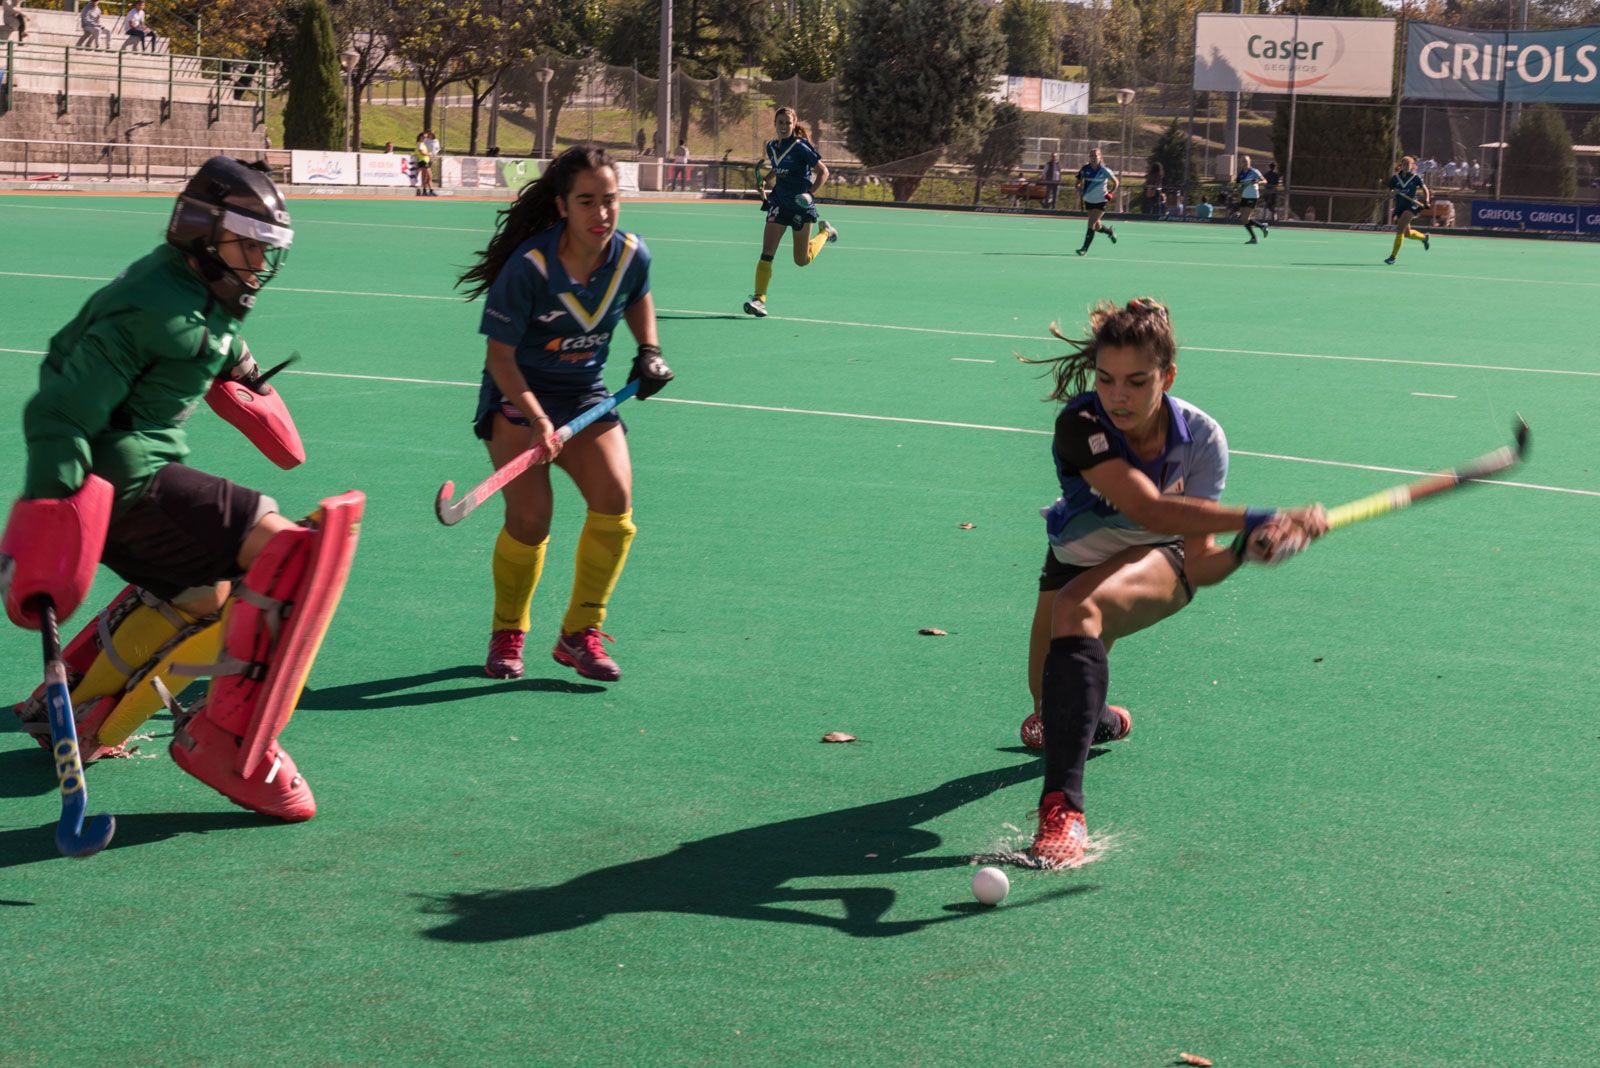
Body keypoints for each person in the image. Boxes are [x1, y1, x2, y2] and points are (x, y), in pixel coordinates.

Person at [1, 157, 365, 823]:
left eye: (265, 248)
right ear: (202, 233)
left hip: (125, 483)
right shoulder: (155, 306)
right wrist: (49, 509)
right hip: (126, 483)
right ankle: (228, 745)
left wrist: (246, 375)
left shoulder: (191, 291)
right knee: (292, 555)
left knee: (205, 595)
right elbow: (58, 409)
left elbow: (208, 344)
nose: (257, 262)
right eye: (246, 244)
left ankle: (80, 705)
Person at [1014, 298, 1328, 866]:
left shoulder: (1202, 439)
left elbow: (1195, 562)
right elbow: (1149, 506)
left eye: (1138, 381)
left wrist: (1241, 551)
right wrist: (1257, 518)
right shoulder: (1082, 423)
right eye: (1106, 379)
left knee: (1075, 610)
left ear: (1168, 376)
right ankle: (1102, 718)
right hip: (1075, 556)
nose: (1119, 395)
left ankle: (1063, 813)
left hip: (1156, 558)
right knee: (1046, 717)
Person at [455, 147, 675, 683]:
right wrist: (535, 419)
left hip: (585, 396)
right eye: (587, 202)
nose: (601, 214)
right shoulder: (529, 268)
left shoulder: (629, 254)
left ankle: (579, 634)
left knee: (615, 502)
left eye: (610, 201)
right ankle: (508, 630)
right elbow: (499, 358)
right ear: (562, 207)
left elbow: (638, 295)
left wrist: (649, 349)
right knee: (531, 520)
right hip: (519, 394)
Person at [742, 107, 839, 319]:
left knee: (801, 260)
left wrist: (810, 195)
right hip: (779, 203)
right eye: (780, 123)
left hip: (801, 206)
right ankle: (759, 299)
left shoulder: (800, 146)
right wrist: (765, 181)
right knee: (767, 253)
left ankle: (826, 233)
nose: (784, 127)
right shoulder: (771, 146)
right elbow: (778, 167)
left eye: (788, 123)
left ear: (794, 124)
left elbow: (824, 172)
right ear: (775, 124)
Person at [1384, 155, 1432, 266]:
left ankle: (1393, 257)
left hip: (1411, 206)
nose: (1406, 166)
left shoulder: (1415, 178)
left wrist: (1427, 200)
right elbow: (1388, 193)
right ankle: (1424, 238)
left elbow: (1425, 189)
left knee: (1399, 230)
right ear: (1401, 165)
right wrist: (1393, 193)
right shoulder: (1395, 178)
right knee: (1407, 234)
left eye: (1408, 164)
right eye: (1404, 164)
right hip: (1400, 207)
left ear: (1412, 166)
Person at [1073, 147, 1118, 256]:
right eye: (1091, 156)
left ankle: (1084, 249)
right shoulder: (1084, 169)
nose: (1093, 158)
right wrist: (1079, 189)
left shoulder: (1104, 170)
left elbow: (1116, 182)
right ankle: (1109, 232)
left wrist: (1110, 193)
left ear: (1100, 157)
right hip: (1089, 200)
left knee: (1091, 223)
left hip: (1101, 200)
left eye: (1095, 156)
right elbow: (1078, 183)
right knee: (1097, 226)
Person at [1236, 154, 1268, 244]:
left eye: (1246, 161)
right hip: (1244, 196)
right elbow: (1238, 183)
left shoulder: (1254, 171)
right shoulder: (1241, 173)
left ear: (1249, 162)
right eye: (1242, 161)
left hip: (1252, 196)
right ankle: (1261, 227)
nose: (1244, 163)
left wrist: (1258, 181)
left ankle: (1255, 237)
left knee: (1245, 218)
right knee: (1243, 219)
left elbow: (1265, 181)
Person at [414, 130, 436, 197]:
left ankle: (429, 191)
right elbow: (421, 152)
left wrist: (428, 155)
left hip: (426, 161)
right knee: (427, 176)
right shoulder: (420, 143)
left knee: (428, 177)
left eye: (426, 137)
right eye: (423, 137)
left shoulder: (423, 144)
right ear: (420, 137)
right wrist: (428, 154)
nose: (425, 138)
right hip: (423, 161)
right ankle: (426, 191)